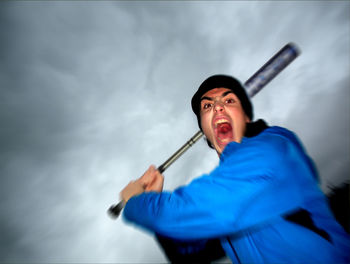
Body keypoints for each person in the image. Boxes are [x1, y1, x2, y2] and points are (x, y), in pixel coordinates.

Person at [120, 75, 350, 263]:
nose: (218, 108)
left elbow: (205, 209)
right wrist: (152, 198)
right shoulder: (227, 187)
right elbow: (188, 253)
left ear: (247, 117)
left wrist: (137, 202)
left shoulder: (274, 147)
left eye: (229, 101)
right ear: (206, 133)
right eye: (207, 106)